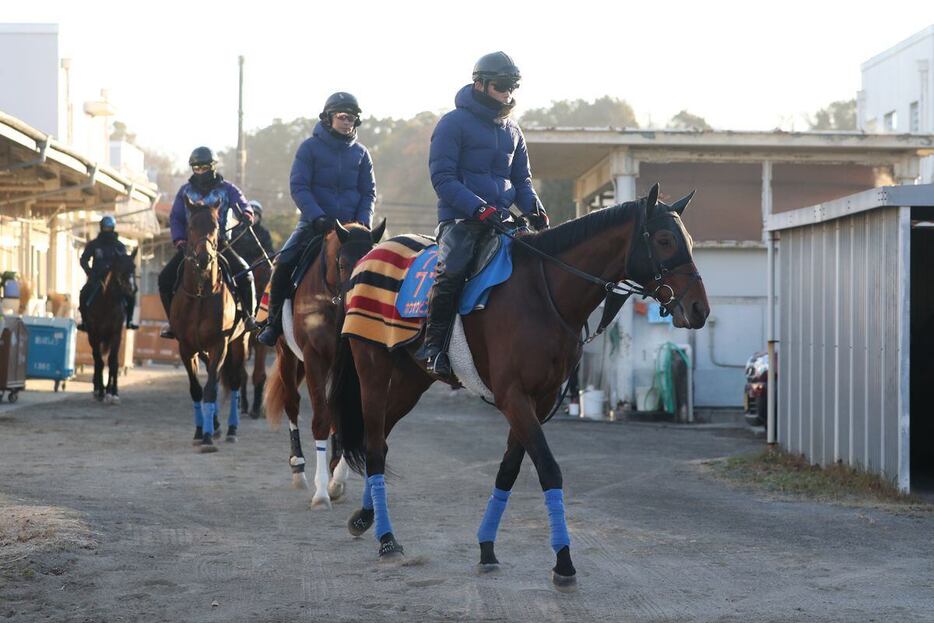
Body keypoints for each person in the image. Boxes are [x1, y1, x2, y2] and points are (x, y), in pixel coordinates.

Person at [416, 51, 549, 380]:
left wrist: (534, 209)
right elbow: (443, 179)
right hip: (461, 221)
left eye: (512, 87)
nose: (508, 94)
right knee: (453, 271)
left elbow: (521, 181)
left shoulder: (514, 131)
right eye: (502, 86)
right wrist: (478, 207)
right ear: (480, 84)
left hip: (501, 221)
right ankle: (433, 348)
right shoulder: (452, 123)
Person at [256, 92, 376, 347]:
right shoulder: (309, 148)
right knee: (285, 262)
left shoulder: (362, 153)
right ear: (329, 117)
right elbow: (299, 187)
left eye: (352, 118)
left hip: (353, 232)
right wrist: (318, 217)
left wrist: (363, 222)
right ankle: (273, 322)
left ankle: (377, 326)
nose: (348, 122)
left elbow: (369, 192)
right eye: (343, 116)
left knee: (378, 268)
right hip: (315, 225)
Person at [158, 146, 257, 339]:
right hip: (190, 247)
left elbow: (243, 204)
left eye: (204, 167)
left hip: (219, 245)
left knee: (246, 276)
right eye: (196, 168)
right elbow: (176, 217)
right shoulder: (184, 191)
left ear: (212, 167)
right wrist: (179, 240)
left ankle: (248, 317)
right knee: (164, 279)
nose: (200, 171)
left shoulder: (228, 189)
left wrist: (246, 214)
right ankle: (173, 322)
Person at [77, 215, 139, 331]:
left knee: (130, 295)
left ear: (113, 228)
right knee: (84, 293)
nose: (107, 230)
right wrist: (89, 272)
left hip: (115, 280)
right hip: (96, 279)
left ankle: (129, 321)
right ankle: (84, 322)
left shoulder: (119, 246)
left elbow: (124, 262)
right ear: (101, 228)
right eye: (105, 228)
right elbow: (84, 259)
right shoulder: (94, 244)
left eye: (108, 228)